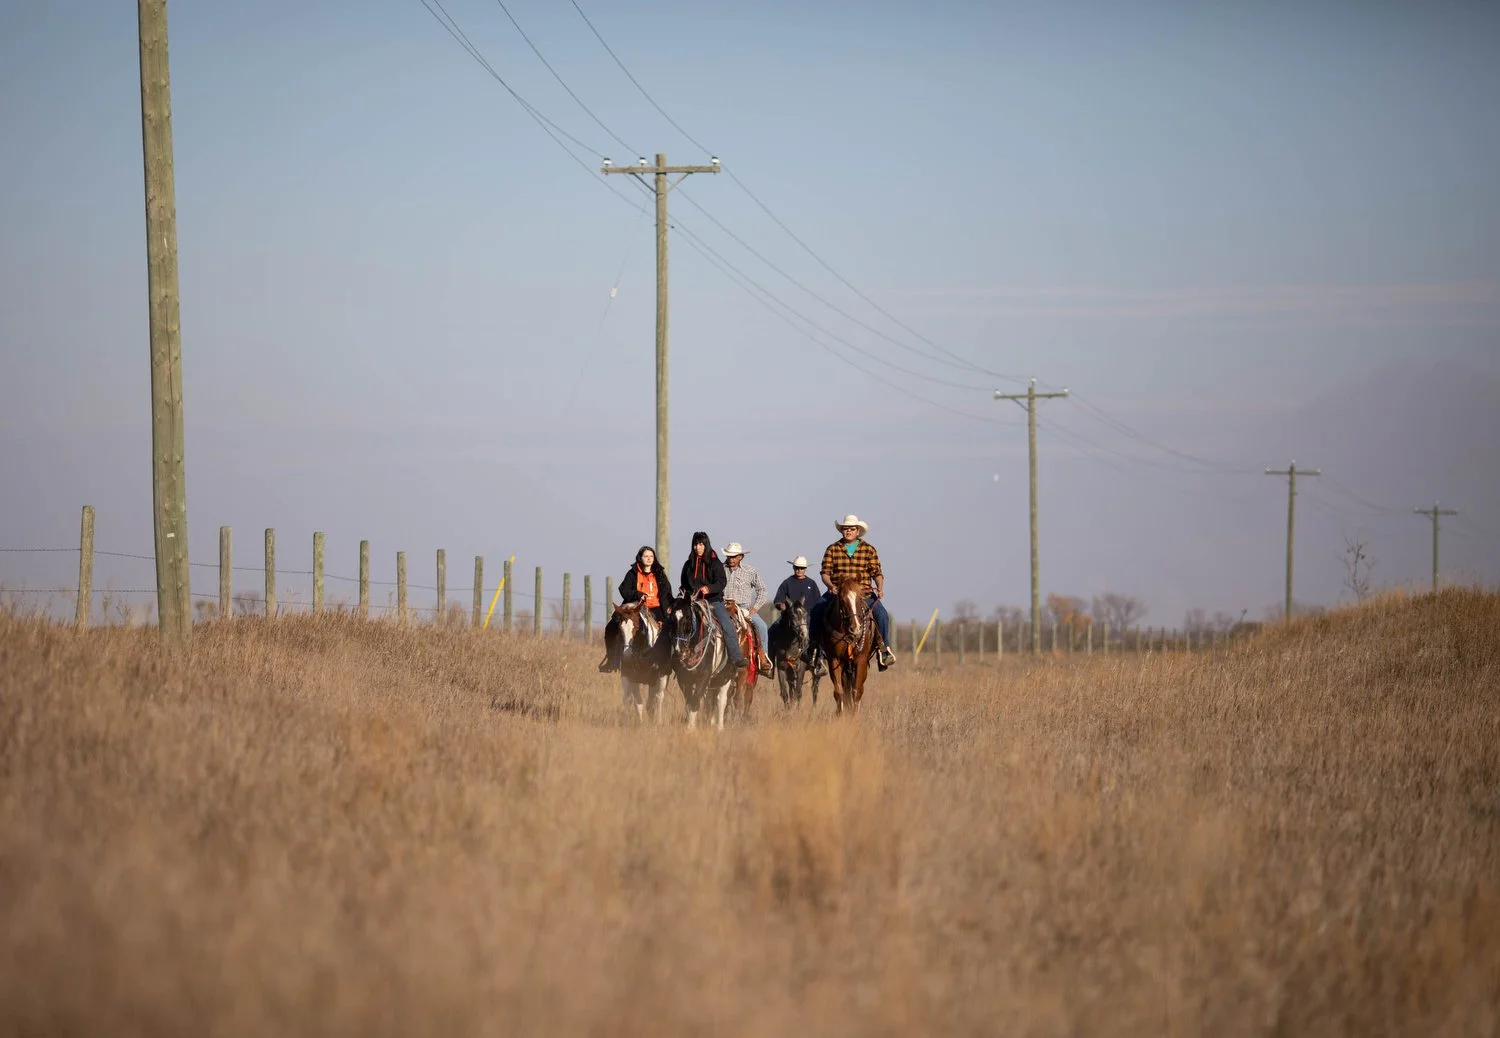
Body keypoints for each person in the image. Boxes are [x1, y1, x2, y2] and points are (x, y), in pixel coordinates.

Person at [811, 514, 897, 670]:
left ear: (858, 531)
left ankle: (884, 650)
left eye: (851, 529)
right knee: (816, 610)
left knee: (882, 615)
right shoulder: (832, 549)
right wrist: (830, 585)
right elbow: (825, 573)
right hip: (838, 592)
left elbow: (877, 572)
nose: (848, 531)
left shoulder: (868, 549)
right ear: (841, 531)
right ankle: (815, 651)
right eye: (845, 528)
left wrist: (880, 587)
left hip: (863, 593)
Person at [598, 545, 672, 673]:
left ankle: (667, 664)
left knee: (670, 629)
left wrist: (666, 611)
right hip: (633, 607)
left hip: (655, 607)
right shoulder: (632, 573)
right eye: (646, 556)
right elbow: (624, 590)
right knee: (611, 627)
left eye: (651, 556)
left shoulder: (660, 574)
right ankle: (611, 660)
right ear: (640, 558)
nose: (649, 559)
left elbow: (666, 594)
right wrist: (638, 595)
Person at [679, 531, 747, 670]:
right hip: (693, 601)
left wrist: (709, 588)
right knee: (676, 621)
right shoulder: (688, 564)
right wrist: (685, 594)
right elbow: (684, 583)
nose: (698, 547)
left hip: (713, 602)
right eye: (695, 544)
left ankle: (736, 657)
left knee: (727, 625)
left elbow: (721, 582)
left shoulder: (715, 563)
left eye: (701, 544)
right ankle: (671, 657)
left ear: (706, 545)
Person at [722, 542, 773, 675]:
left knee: (762, 626)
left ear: (741, 557)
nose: (731, 559)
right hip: (723, 606)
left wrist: (755, 607)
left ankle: (763, 658)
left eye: (734, 556)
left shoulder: (750, 571)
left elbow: (762, 589)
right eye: (729, 556)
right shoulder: (720, 569)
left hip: (743, 607)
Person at [772, 555, 824, 673]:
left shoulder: (811, 583)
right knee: (771, 631)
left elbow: (818, 602)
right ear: (793, 567)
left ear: (805, 569)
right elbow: (778, 599)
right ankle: (770, 663)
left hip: (807, 616)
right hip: (789, 616)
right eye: (796, 568)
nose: (799, 570)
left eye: (801, 568)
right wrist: (780, 605)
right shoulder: (787, 583)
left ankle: (819, 660)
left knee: (820, 632)